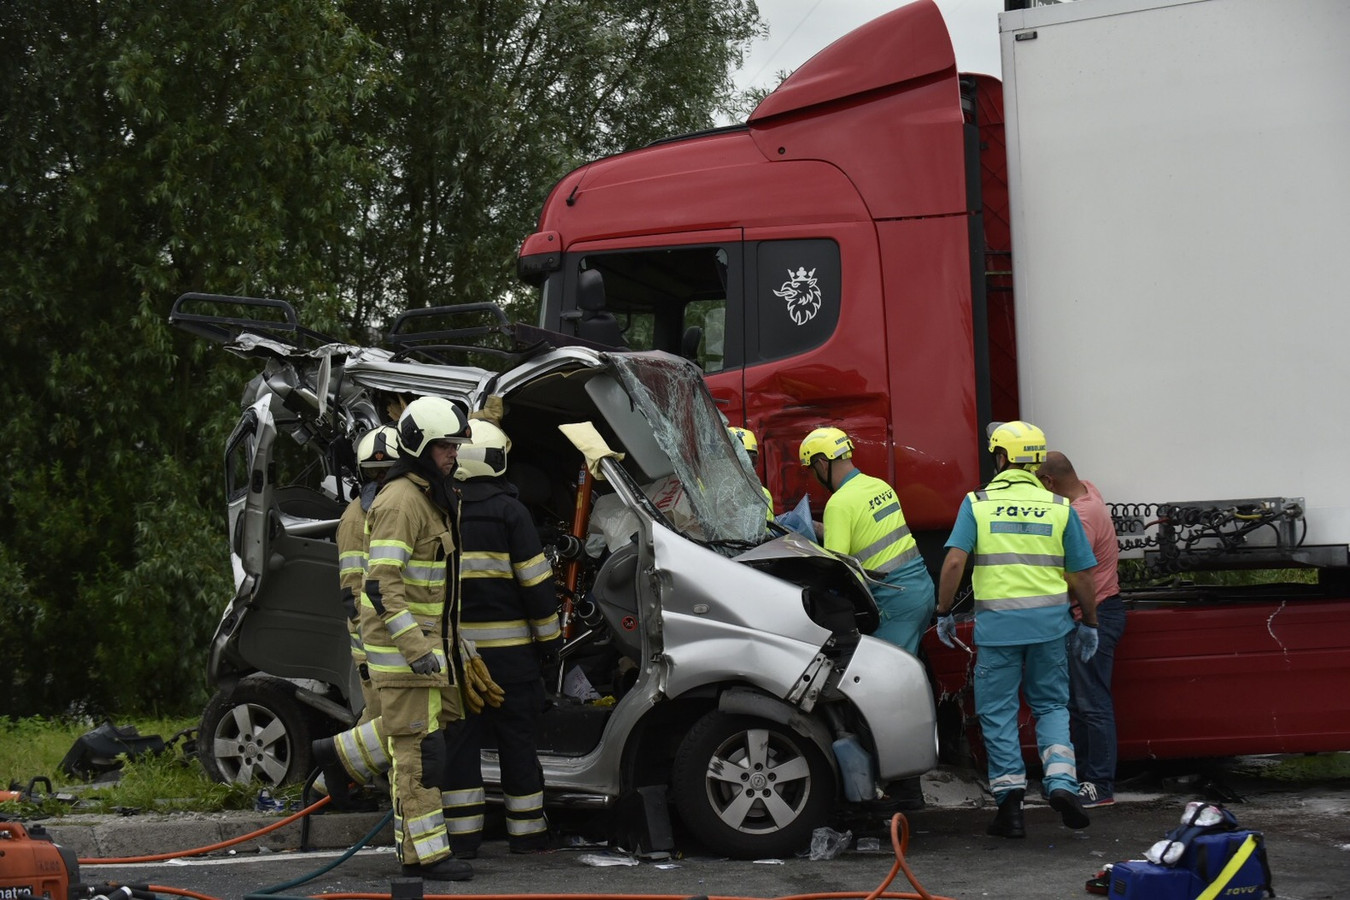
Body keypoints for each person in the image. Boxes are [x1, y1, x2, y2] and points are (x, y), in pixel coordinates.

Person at [934, 421, 1099, 839]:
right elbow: (1080, 574)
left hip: (999, 631)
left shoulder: (978, 503)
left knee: (999, 712)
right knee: (1051, 706)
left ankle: (1010, 806)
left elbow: (955, 562)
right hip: (1050, 629)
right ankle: (1062, 784)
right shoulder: (1059, 507)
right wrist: (1090, 624)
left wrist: (943, 611)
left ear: (1002, 457)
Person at [358, 396, 474, 881]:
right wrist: (417, 649)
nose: (454, 453)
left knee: (423, 749)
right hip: (407, 659)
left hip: (428, 656)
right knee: (417, 756)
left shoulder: (430, 496)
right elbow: (381, 584)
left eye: (455, 445)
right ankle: (426, 857)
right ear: (420, 447)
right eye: (446, 446)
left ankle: (340, 755)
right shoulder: (402, 502)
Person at [451, 420, 562, 855]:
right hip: (512, 661)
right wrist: (550, 644)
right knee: (517, 742)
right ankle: (528, 834)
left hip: (460, 659)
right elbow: (536, 585)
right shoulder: (511, 512)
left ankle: (461, 841)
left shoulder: (443, 507)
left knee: (460, 745)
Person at [1036, 450, 1125, 809]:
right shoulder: (1089, 490)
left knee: (1092, 704)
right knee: (1079, 703)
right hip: (1100, 610)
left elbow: (1077, 574)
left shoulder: (1081, 516)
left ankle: (1100, 785)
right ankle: (1081, 777)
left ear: (1050, 483)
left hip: (1094, 613)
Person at [798, 426, 936, 656]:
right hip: (922, 593)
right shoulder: (879, 486)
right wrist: (816, 528)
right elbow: (866, 531)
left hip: (894, 604)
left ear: (822, 463)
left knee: (887, 677)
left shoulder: (839, 503)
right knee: (912, 667)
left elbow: (836, 569)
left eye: (811, 469)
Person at [339, 425, 401, 725]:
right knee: (383, 727)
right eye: (375, 473)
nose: (381, 480)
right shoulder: (355, 518)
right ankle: (338, 768)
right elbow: (352, 593)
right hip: (376, 647)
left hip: (396, 641)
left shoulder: (403, 508)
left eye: (388, 471)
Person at [728, 425, 775, 521]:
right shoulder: (703, 490)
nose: (744, 469)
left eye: (750, 461)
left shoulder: (762, 495)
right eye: (737, 462)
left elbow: (767, 534)